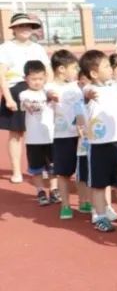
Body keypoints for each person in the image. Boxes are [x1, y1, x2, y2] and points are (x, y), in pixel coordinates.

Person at [80, 50, 117, 232]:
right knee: (99, 184)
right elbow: (86, 93)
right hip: (98, 146)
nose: (110, 69)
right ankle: (100, 216)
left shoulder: (115, 88)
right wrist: (88, 95)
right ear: (93, 73)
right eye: (106, 66)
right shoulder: (89, 89)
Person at [0, 13, 50, 183]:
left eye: (28, 26)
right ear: (13, 29)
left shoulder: (38, 48)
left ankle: (41, 167)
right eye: (20, 26)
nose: (25, 29)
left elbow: (47, 70)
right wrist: (8, 98)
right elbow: (2, 74)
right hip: (16, 90)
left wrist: (48, 91)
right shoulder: (6, 47)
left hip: (38, 91)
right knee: (16, 133)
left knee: (40, 130)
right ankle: (16, 171)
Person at [46, 50, 84, 219]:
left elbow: (79, 107)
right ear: (61, 69)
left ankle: (85, 202)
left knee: (83, 171)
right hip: (61, 136)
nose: (77, 71)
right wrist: (50, 97)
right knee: (64, 173)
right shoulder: (49, 87)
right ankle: (66, 205)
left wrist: (82, 124)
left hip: (80, 134)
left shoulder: (76, 87)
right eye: (74, 68)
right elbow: (47, 96)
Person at [18, 61, 57, 205]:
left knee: (53, 167)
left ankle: (54, 190)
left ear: (45, 77)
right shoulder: (24, 94)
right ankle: (40, 191)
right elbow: (27, 105)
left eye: (40, 79)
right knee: (36, 169)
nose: (37, 82)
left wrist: (52, 96)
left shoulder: (48, 91)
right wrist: (32, 105)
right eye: (33, 79)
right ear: (26, 78)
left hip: (50, 137)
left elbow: (56, 98)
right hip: (33, 140)